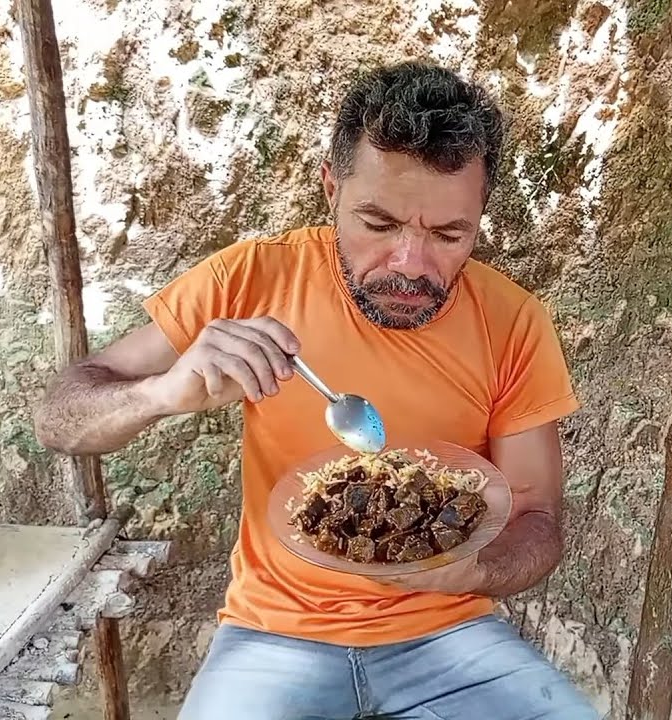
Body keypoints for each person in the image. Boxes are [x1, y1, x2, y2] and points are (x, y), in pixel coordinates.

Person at [33, 60, 599, 720]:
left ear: (480, 216)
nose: (410, 264)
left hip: (450, 631)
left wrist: (470, 572)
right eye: (379, 223)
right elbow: (58, 418)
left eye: (449, 234)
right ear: (330, 187)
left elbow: (537, 522)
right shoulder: (253, 277)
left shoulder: (512, 321)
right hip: (274, 631)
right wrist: (161, 392)